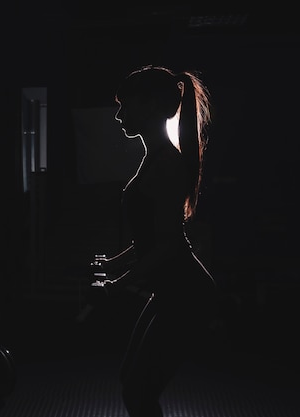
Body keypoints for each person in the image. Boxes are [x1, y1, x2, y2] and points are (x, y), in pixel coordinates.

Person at [90, 65, 218, 417]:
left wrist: (118, 284)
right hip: (170, 292)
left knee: (139, 392)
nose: (118, 115)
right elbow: (152, 237)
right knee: (130, 378)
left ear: (149, 106)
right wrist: (113, 264)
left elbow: (169, 246)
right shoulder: (154, 158)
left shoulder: (166, 164)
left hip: (186, 295)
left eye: (124, 105)